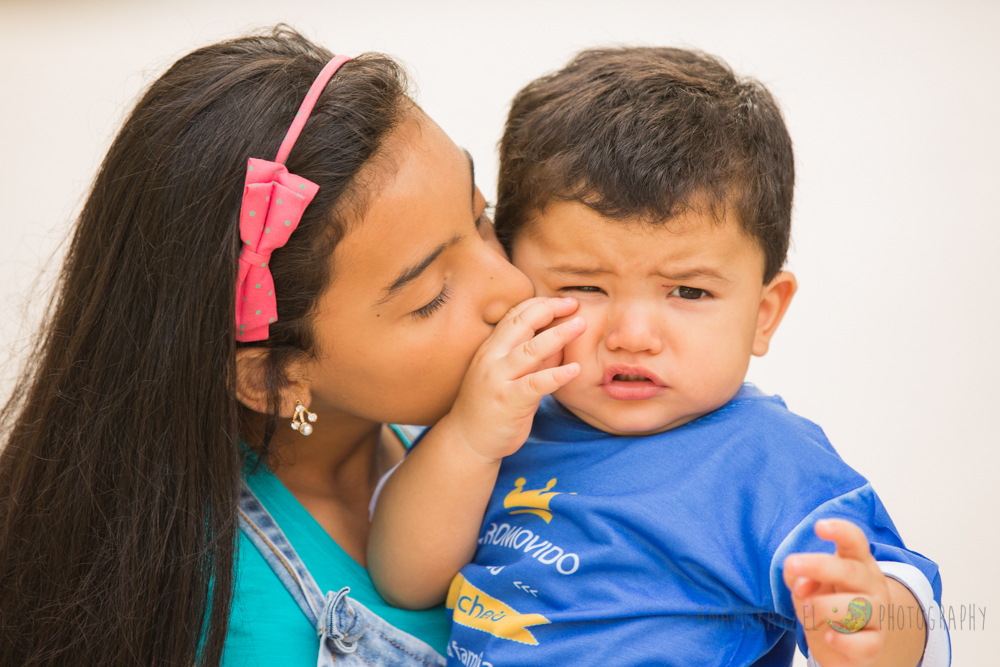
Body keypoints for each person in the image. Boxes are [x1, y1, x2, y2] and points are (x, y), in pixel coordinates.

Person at [0, 27, 579, 667]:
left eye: (480, 217)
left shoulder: (500, 434)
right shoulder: (232, 623)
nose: (513, 285)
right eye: (431, 296)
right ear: (274, 379)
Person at [367, 48, 951, 666]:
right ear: (515, 275)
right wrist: (470, 440)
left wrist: (871, 626)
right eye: (585, 287)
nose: (633, 335)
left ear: (763, 313)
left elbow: (901, 596)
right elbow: (405, 581)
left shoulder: (764, 463)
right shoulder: (504, 419)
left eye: (689, 291)